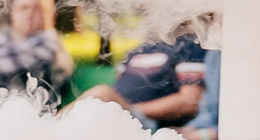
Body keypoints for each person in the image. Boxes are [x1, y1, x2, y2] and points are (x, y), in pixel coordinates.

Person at [76, 28, 207, 130]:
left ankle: (56, 130)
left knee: (102, 94)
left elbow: (190, 101)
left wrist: (133, 110)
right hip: (118, 114)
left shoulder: (190, 46)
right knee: (93, 109)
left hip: (149, 123)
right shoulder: (141, 48)